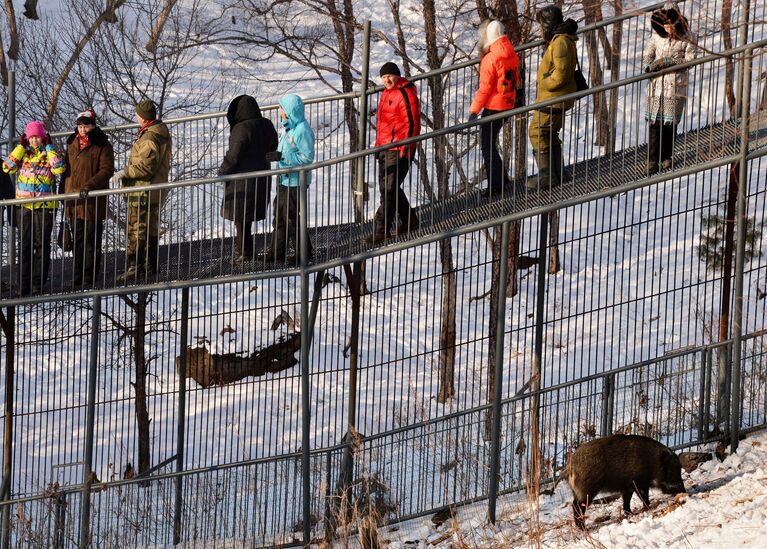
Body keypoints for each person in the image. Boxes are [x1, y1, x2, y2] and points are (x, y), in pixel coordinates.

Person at [2, 120, 65, 295]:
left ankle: (38, 284)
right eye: (31, 137)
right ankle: (23, 285)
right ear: (27, 139)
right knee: (24, 246)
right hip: (24, 207)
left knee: (42, 245)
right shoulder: (24, 154)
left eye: (37, 137)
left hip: (45, 207)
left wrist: (50, 147)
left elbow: (59, 169)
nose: (34, 141)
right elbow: (7, 167)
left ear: (43, 137)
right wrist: (20, 147)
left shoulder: (49, 153)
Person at [114, 100, 172, 283]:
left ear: (143, 117)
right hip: (153, 190)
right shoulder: (158, 131)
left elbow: (146, 167)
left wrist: (125, 172)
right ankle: (150, 266)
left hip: (143, 191)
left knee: (136, 229)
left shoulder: (149, 138)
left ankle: (135, 268)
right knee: (151, 228)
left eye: (137, 115)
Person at [365, 61, 421, 244]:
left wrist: (406, 149)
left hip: (399, 149)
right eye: (383, 77)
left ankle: (381, 230)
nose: (387, 80)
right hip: (385, 148)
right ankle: (410, 219)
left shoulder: (405, 93)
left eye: (389, 76)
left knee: (389, 191)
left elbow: (412, 124)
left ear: (397, 75)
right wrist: (378, 147)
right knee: (388, 188)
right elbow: (383, 125)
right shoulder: (386, 93)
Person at [219, 95, 278, 263]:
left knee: (240, 219)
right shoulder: (267, 124)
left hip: (241, 182)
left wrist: (222, 172)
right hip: (261, 178)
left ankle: (243, 254)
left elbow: (233, 156)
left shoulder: (241, 128)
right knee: (247, 219)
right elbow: (273, 147)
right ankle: (246, 252)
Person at [60, 109, 114, 289]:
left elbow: (106, 170)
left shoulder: (102, 144)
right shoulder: (72, 143)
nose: (83, 130)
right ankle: (77, 278)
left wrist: (89, 186)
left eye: (86, 126)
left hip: (92, 201)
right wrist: (62, 193)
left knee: (91, 241)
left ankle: (89, 278)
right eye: (80, 126)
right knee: (78, 241)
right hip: (73, 200)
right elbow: (66, 171)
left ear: (93, 125)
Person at [527, 5, 578, 190]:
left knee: (537, 131)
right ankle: (558, 173)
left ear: (549, 23)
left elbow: (561, 74)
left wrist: (544, 81)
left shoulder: (560, 42)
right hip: (558, 97)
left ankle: (547, 176)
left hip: (554, 96)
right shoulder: (560, 41)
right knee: (550, 132)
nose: (541, 29)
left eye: (542, 24)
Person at [468, 19, 521, 197]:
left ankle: (496, 186)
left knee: (486, 145)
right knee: (490, 143)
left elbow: (485, 88)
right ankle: (502, 179)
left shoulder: (491, 58)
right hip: (508, 102)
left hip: (494, 106)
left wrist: (474, 110)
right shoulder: (511, 53)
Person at [643, 6, 696, 175]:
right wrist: (649, 65)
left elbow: (690, 60)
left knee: (669, 124)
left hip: (675, 86)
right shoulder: (657, 36)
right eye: (665, 24)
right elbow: (648, 54)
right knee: (654, 124)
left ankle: (666, 156)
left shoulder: (687, 38)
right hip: (657, 86)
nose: (668, 28)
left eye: (670, 24)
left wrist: (669, 62)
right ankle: (652, 160)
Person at [264, 94, 315, 263]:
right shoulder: (289, 128)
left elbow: (307, 158)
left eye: (282, 109)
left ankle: (303, 254)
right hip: (285, 179)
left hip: (296, 182)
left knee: (291, 218)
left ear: (290, 112)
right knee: (280, 216)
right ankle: (276, 253)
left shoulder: (302, 130)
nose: (280, 112)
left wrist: (282, 158)